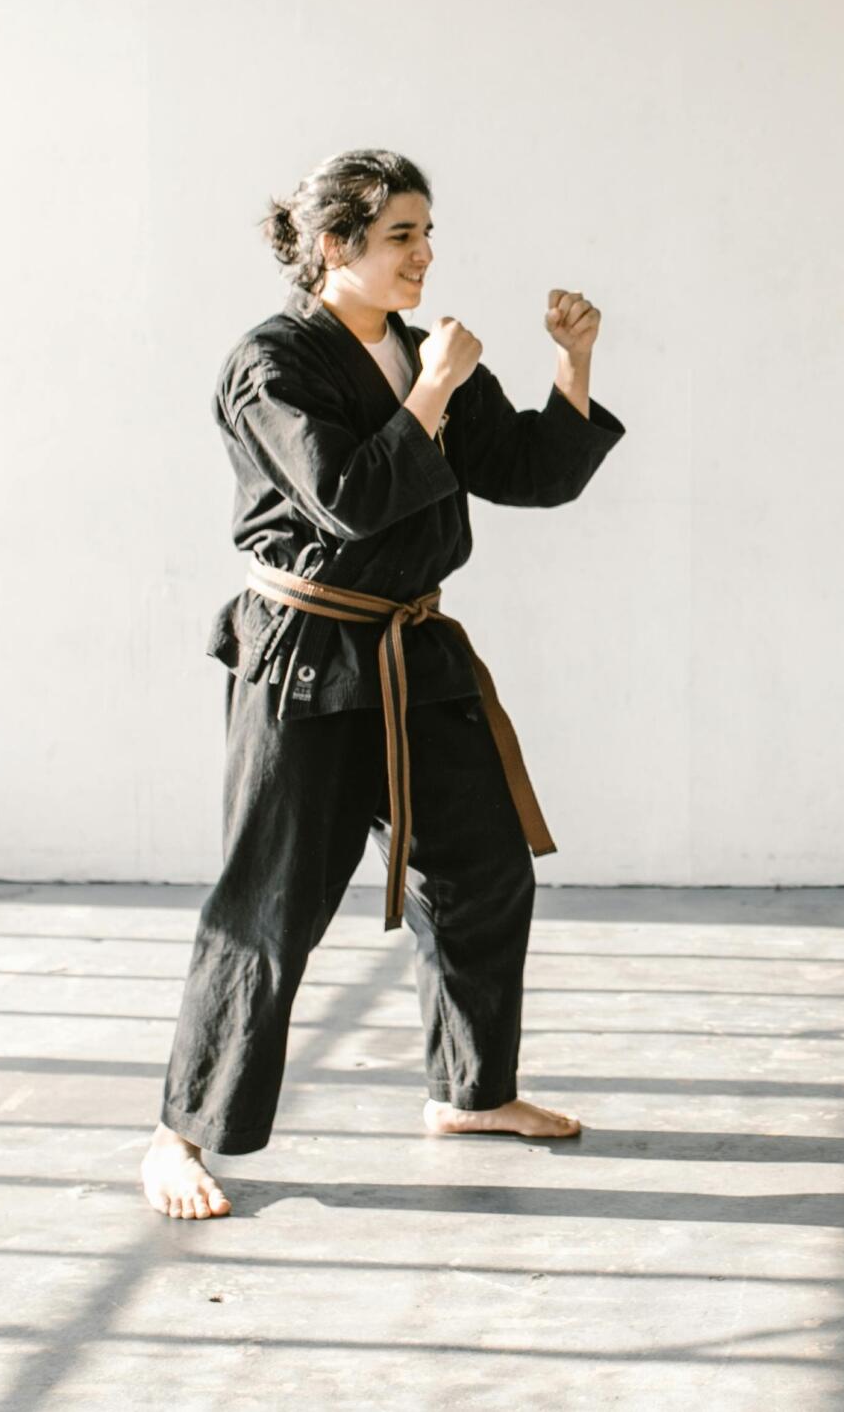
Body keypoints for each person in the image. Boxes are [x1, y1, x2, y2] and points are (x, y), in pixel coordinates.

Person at [141, 149, 626, 1219]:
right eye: (402, 234)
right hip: (307, 659)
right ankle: (179, 1136)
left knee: (484, 865)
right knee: (269, 904)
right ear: (334, 245)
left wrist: (573, 364)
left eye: (426, 232)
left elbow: (529, 473)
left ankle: (472, 1092)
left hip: (415, 651)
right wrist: (435, 386)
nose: (424, 254)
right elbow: (347, 499)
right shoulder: (271, 363)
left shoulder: (417, 346)